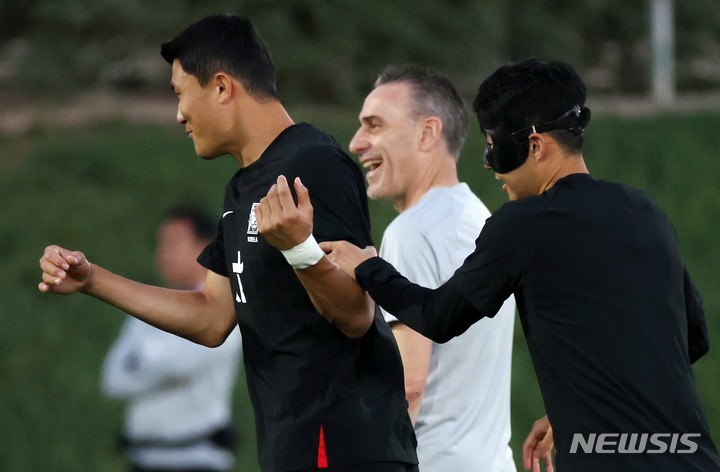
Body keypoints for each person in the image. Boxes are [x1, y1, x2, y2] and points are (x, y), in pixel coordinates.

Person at [38, 14, 417, 472]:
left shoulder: (315, 163)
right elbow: (212, 317)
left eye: (180, 93)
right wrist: (92, 279)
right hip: (289, 450)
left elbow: (357, 315)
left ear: (221, 87)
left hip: (340, 448)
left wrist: (300, 251)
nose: (178, 114)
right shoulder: (242, 189)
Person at [304, 59, 720, 472]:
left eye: (493, 144)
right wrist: (580, 409)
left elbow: (437, 316)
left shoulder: (524, 223)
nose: (488, 162)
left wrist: (366, 268)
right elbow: (693, 338)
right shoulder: (646, 212)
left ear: (535, 146)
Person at [346, 64, 516, 472]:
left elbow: (408, 384)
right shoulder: (480, 221)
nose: (356, 143)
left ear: (427, 133)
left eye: (374, 125)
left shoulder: (413, 231)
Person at [101, 205, 243, 472]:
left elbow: (174, 363)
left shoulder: (225, 308)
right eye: (161, 244)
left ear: (206, 246)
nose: (163, 254)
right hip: (141, 461)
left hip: (197, 462)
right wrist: (162, 366)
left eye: (174, 243)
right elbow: (113, 380)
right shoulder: (147, 304)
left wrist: (141, 360)